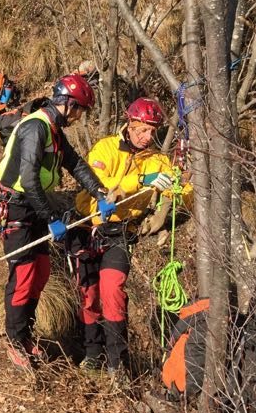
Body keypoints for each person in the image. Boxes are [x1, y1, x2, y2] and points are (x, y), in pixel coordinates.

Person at [0, 73, 115, 369]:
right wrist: (50, 218)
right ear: (68, 104)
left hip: (34, 204)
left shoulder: (54, 130)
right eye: (80, 110)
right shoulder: (36, 127)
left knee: (42, 272)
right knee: (23, 277)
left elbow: (75, 164)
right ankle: (15, 340)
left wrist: (99, 192)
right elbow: (29, 179)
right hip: (19, 207)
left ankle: (25, 334)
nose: (79, 117)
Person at [69, 97, 193, 375]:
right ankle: (92, 354)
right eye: (141, 130)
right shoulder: (105, 149)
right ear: (129, 124)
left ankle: (117, 363)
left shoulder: (157, 160)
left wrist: (183, 185)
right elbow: (95, 190)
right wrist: (139, 181)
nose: (147, 137)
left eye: (152, 131)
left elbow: (183, 197)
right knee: (89, 294)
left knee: (112, 290)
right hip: (88, 227)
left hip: (121, 233)